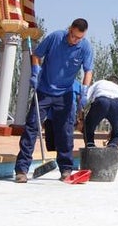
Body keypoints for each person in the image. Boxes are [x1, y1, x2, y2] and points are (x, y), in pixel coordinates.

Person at [14, 18, 93, 183]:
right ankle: (21, 169)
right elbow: (36, 55)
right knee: (32, 127)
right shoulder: (55, 37)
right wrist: (35, 71)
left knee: (65, 131)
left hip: (65, 94)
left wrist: (84, 91)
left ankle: (65, 169)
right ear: (70, 29)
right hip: (43, 90)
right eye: (73, 36)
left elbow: (88, 71)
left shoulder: (85, 47)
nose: (74, 40)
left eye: (79, 38)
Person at [82, 74, 118, 148]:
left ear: (107, 80)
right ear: (116, 83)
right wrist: (114, 130)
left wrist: (81, 114)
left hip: (102, 101)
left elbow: (86, 96)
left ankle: (90, 144)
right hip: (117, 104)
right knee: (117, 131)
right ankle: (113, 145)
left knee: (89, 124)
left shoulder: (100, 82)